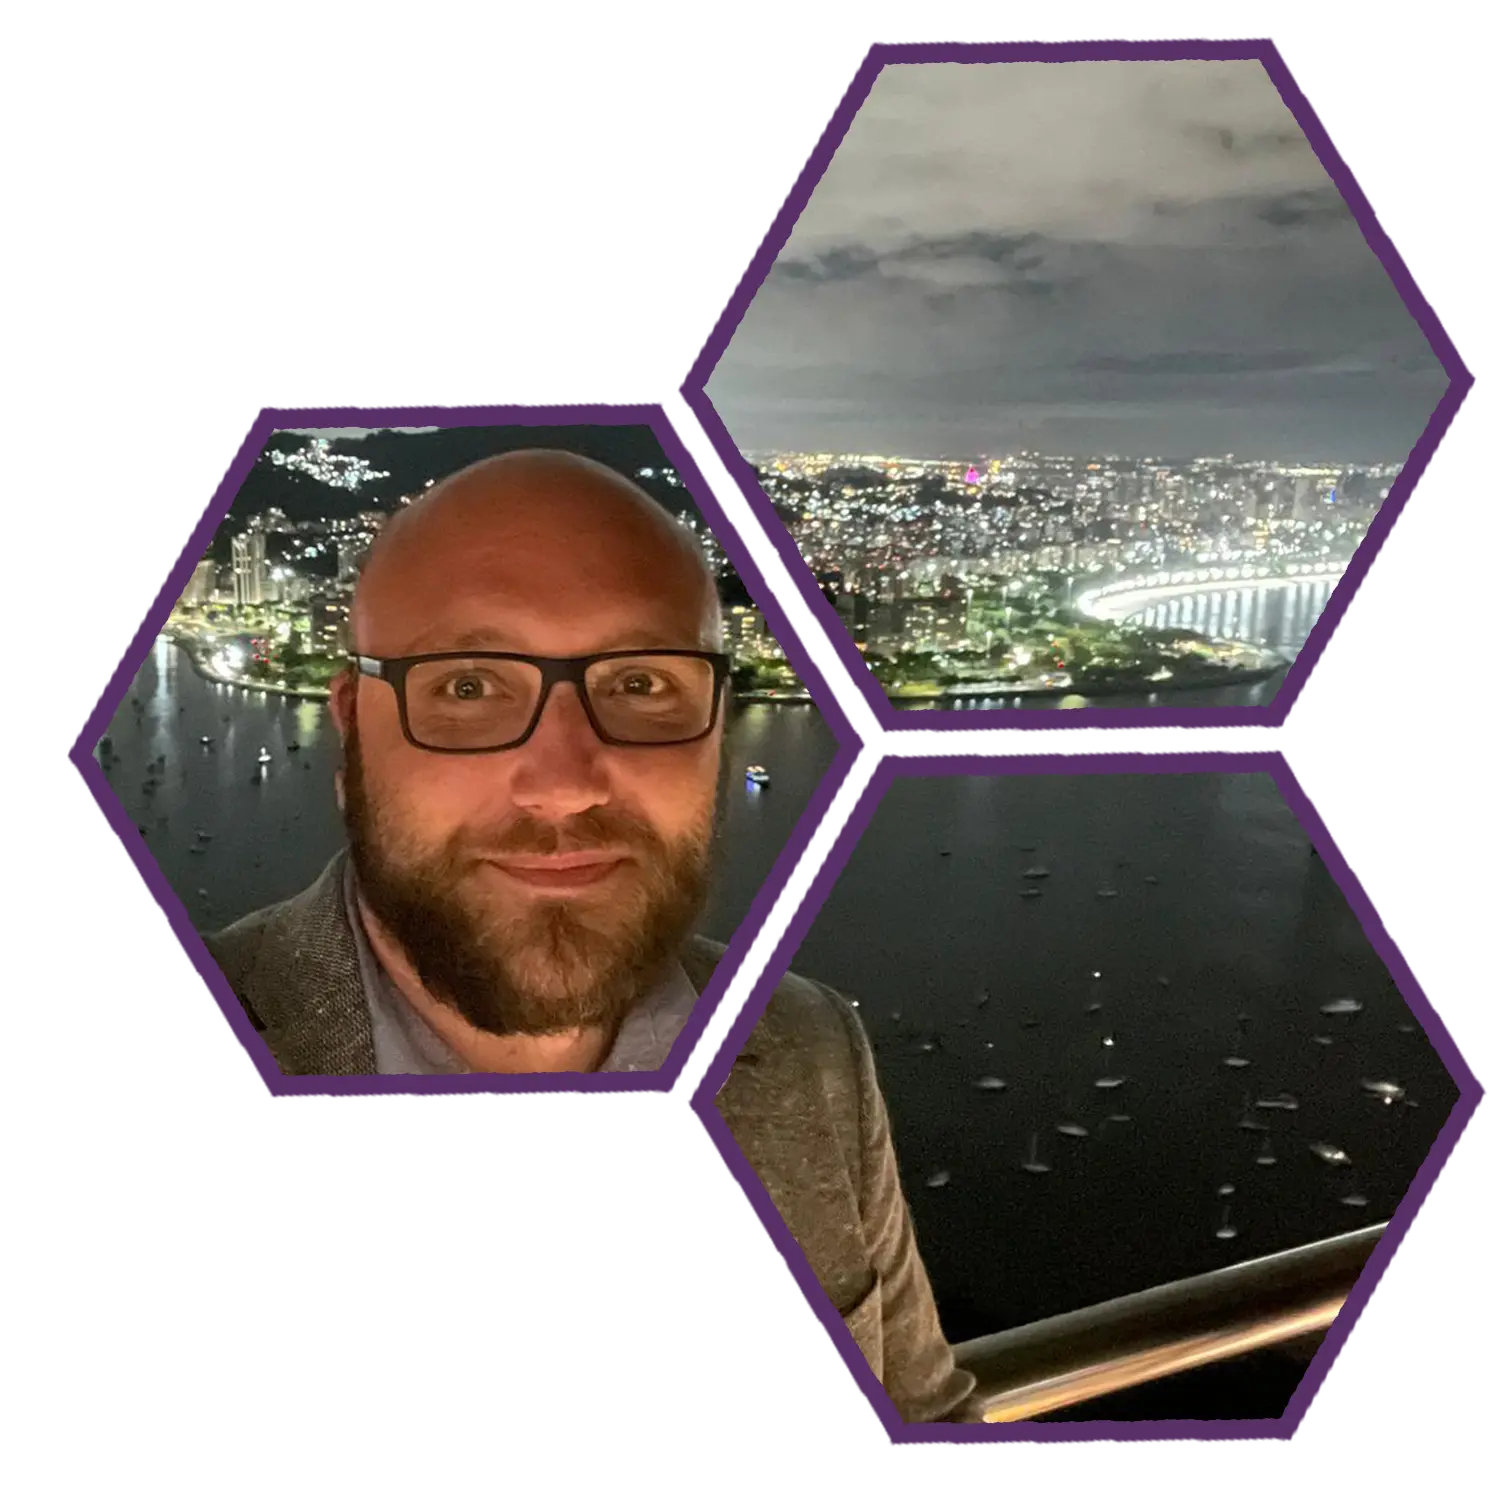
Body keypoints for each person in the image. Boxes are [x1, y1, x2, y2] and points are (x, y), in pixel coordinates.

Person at [204, 450, 978, 1422]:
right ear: (354, 733)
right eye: (471, 686)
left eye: (642, 683)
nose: (565, 780)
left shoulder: (806, 1043)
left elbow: (923, 1420)